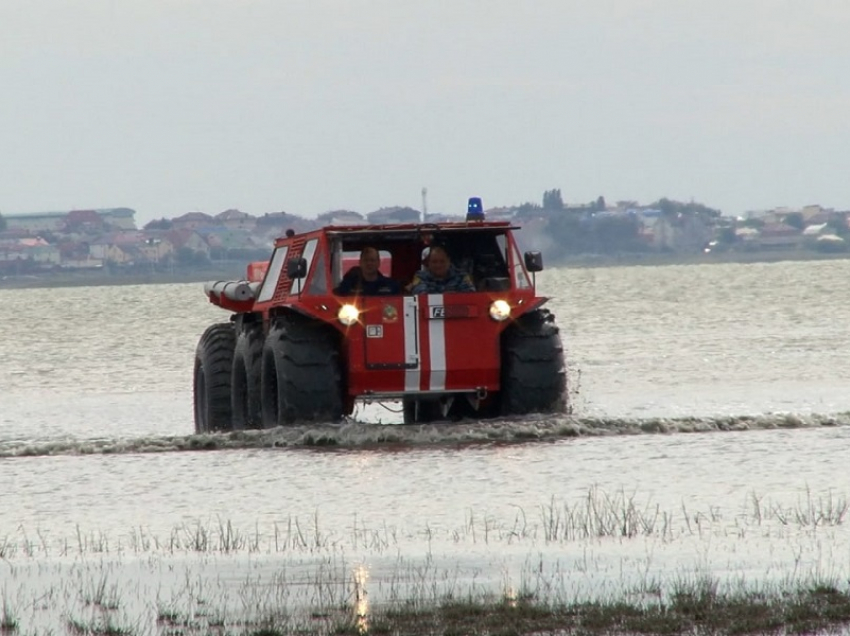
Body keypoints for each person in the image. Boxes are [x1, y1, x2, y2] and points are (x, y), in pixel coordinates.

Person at [407, 245, 475, 294]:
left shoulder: (462, 276)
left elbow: (469, 294)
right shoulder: (420, 277)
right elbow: (420, 293)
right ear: (429, 263)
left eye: (442, 261)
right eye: (434, 262)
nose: (438, 265)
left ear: (449, 261)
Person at [334, 247, 401, 296]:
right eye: (365, 260)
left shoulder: (391, 286)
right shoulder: (348, 286)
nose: (369, 263)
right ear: (360, 263)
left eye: (372, 260)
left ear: (378, 263)